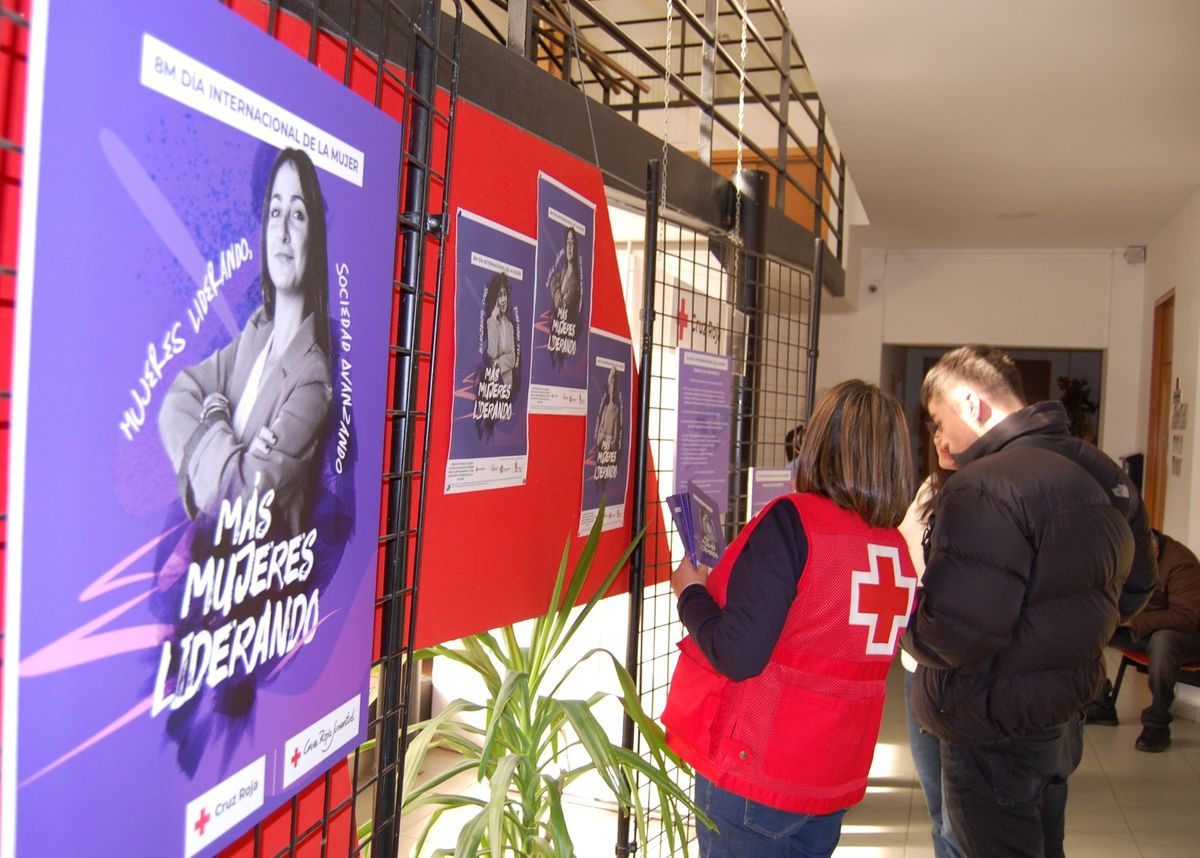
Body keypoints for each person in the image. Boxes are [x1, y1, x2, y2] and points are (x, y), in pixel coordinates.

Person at [902, 345, 1156, 858]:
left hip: (990, 727)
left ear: (972, 405)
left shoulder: (981, 487)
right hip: (1061, 717)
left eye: (938, 419)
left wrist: (903, 626)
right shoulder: (1103, 472)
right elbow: (1135, 588)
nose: (940, 438)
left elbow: (957, 632)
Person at [661, 379, 916, 858]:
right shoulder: (894, 550)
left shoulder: (793, 522)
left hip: (757, 774)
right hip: (831, 778)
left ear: (820, 444)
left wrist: (690, 592)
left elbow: (737, 654)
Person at [160, 148, 333, 534]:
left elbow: (237, 502)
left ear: (314, 238)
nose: (283, 230)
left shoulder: (312, 379)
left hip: (258, 583)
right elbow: (176, 400)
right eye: (275, 211)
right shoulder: (257, 330)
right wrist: (236, 452)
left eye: (298, 214)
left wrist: (215, 415)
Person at [897, 439, 960, 858]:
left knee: (962, 817)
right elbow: (901, 551)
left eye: (945, 423)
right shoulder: (929, 490)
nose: (938, 437)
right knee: (938, 808)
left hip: (965, 672)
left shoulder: (997, 490)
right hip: (918, 665)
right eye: (933, 427)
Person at [1082, 530, 1200, 752]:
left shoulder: (1181, 562)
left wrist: (1132, 620)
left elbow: (1188, 616)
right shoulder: (1123, 558)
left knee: (1164, 642)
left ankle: (1158, 723)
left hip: (1184, 635)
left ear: (1153, 549)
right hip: (1142, 630)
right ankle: (1099, 702)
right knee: (1089, 630)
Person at [483, 272, 518, 386]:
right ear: (495, 298)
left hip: (507, 389)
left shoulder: (510, 326)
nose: (503, 300)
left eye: (505, 294)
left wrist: (498, 362)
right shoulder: (490, 322)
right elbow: (492, 353)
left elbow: (512, 359)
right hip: (494, 386)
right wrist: (494, 318)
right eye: (499, 295)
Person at [547, 225, 582, 322]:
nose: (569, 247)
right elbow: (553, 281)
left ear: (576, 247)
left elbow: (561, 306)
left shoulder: (575, 280)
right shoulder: (564, 270)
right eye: (567, 242)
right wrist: (560, 295)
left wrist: (556, 293)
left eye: (572, 243)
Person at [595, 367, 622, 453]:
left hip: (610, 443)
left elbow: (616, 432)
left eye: (614, 384)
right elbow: (601, 426)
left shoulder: (616, 409)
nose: (612, 387)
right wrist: (601, 436)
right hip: (603, 441)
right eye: (611, 384)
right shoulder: (605, 408)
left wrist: (612, 441)